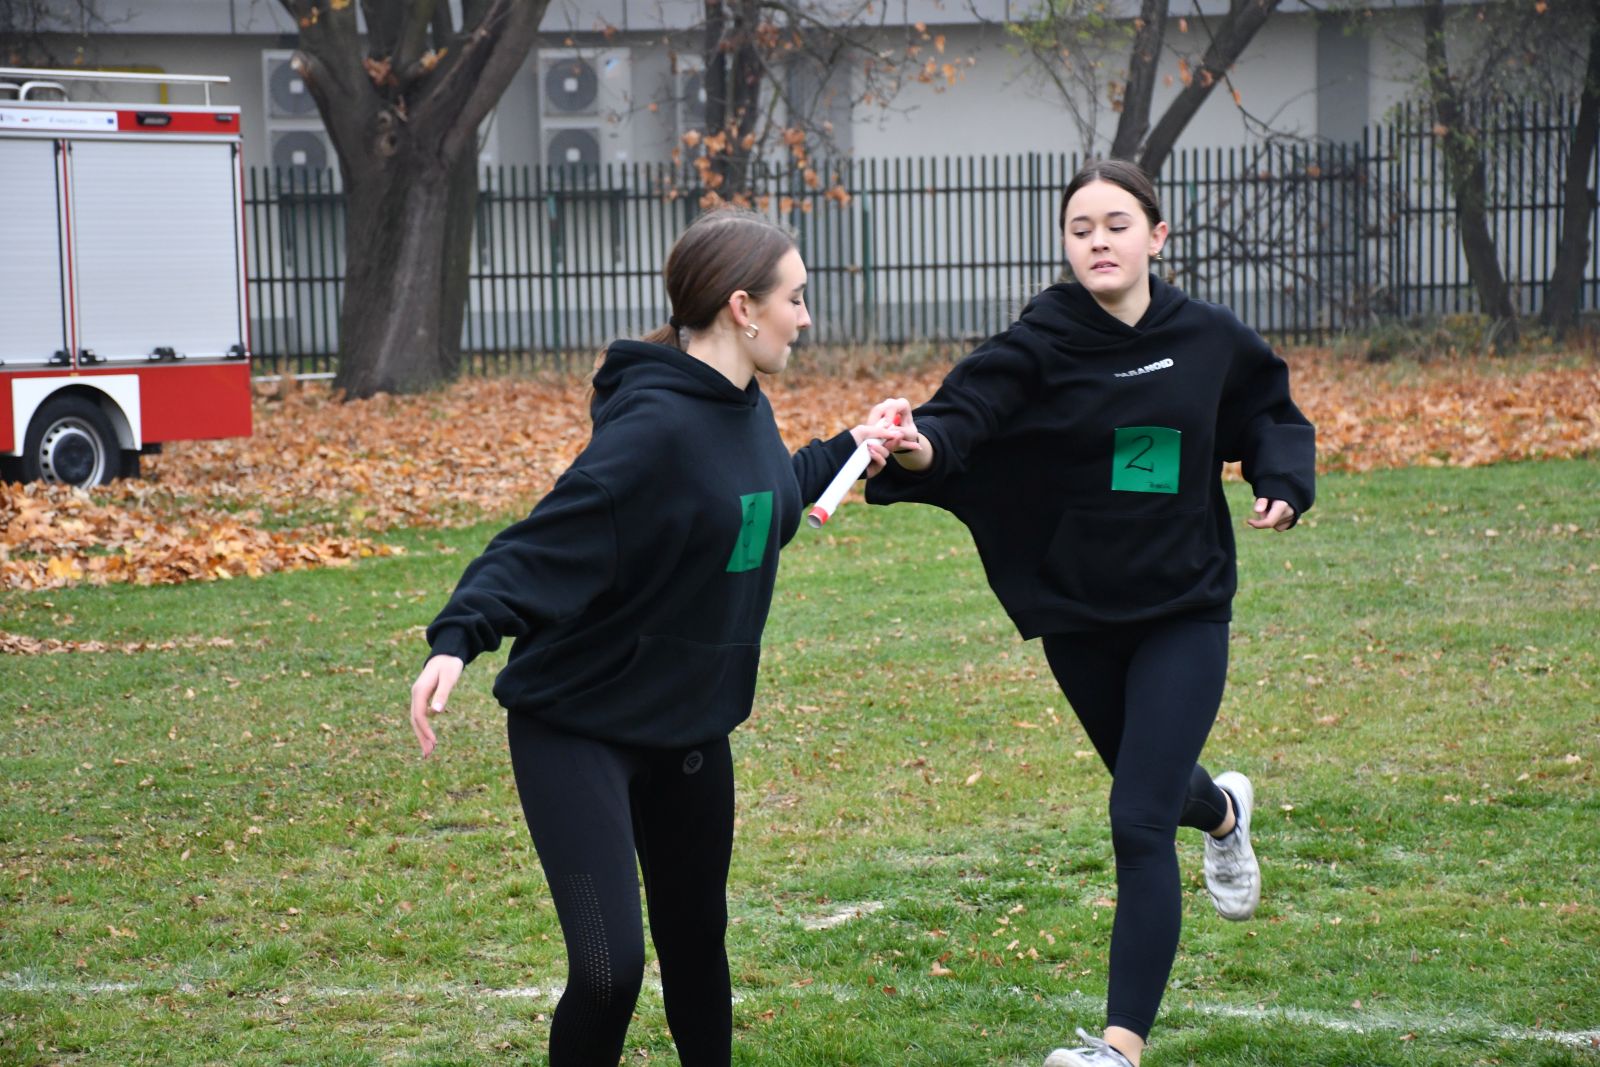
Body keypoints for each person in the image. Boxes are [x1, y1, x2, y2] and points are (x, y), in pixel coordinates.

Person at [408, 207, 903, 1067]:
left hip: (689, 724)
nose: (806, 317)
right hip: (579, 724)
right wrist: (458, 636)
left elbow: (757, 504)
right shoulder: (653, 428)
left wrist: (848, 451)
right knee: (610, 971)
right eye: (795, 298)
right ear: (743, 308)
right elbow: (544, 541)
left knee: (697, 944)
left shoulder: (742, 405)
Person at [866, 158, 1315, 1067]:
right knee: (1162, 790)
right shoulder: (1040, 341)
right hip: (1079, 613)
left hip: (1185, 605)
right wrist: (913, 446)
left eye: (1117, 225)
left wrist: (1281, 478)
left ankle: (1118, 1048)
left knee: (1137, 817)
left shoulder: (1207, 336)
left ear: (1157, 236)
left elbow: (1268, 411)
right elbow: (960, 422)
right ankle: (1225, 812)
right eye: (1081, 229)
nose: (1098, 242)